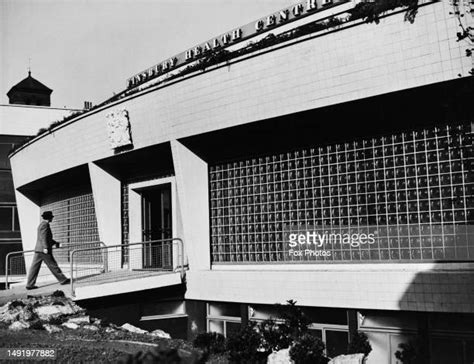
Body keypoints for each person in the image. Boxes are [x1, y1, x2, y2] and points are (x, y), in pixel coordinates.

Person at [26, 211, 70, 290]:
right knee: (53, 265)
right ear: (49, 218)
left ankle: (30, 284)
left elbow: (47, 238)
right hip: (43, 250)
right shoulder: (45, 225)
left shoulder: (42, 224)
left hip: (39, 249)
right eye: (52, 217)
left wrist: (55, 243)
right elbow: (44, 237)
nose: (52, 218)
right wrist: (45, 247)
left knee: (34, 267)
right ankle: (63, 280)